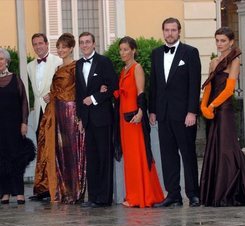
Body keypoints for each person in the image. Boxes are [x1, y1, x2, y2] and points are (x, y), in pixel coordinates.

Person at [149, 17, 201, 207]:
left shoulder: (190, 52)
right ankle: (173, 195)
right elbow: (153, 84)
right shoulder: (156, 54)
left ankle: (193, 193)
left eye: (173, 30)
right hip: (163, 114)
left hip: (184, 114)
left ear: (179, 31)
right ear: (163, 32)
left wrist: (192, 112)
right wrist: (152, 110)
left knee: (188, 154)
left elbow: (194, 85)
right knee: (168, 155)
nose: (169, 33)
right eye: (166, 30)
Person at [200, 27, 245, 207]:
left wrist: (212, 105)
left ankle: (230, 191)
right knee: (214, 148)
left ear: (231, 42)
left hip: (225, 110)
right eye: (217, 40)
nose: (219, 44)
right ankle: (215, 192)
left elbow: (229, 90)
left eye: (223, 41)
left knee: (227, 149)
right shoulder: (214, 62)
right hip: (212, 111)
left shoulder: (234, 60)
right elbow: (208, 87)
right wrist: (203, 106)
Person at [35, 33, 86, 203]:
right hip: (57, 113)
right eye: (59, 47)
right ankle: (63, 190)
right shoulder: (58, 68)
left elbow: (80, 91)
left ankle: (75, 192)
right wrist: (51, 95)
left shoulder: (77, 66)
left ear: (72, 48)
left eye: (65, 47)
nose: (61, 50)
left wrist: (80, 116)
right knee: (60, 152)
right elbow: (57, 89)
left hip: (71, 112)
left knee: (72, 151)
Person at [113, 36, 164, 208]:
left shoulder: (137, 68)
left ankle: (143, 196)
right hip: (123, 119)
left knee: (139, 156)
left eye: (126, 49)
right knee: (130, 159)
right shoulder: (123, 70)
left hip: (134, 118)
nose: (123, 53)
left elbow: (141, 92)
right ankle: (133, 195)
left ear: (134, 50)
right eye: (121, 49)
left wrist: (142, 112)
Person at [75, 32, 117, 208]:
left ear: (94, 43)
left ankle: (104, 198)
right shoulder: (77, 65)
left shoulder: (104, 62)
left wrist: (94, 97)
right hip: (87, 120)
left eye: (87, 42)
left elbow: (113, 86)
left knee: (104, 158)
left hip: (102, 118)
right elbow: (78, 94)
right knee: (91, 159)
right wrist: (80, 118)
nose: (84, 45)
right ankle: (93, 197)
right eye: (82, 43)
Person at [27, 33, 62, 200]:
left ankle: (55, 188)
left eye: (41, 43)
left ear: (47, 44)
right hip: (39, 112)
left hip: (54, 109)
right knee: (41, 150)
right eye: (35, 44)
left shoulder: (58, 61)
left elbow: (65, 86)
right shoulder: (29, 66)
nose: (38, 46)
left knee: (53, 148)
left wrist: (53, 95)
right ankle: (42, 188)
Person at [0, 48, 35, 204]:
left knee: (16, 159)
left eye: (1, 59)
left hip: (14, 126)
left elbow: (24, 103)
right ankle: (5, 193)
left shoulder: (16, 79)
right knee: (2, 159)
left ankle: (19, 192)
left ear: (7, 61)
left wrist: (24, 122)